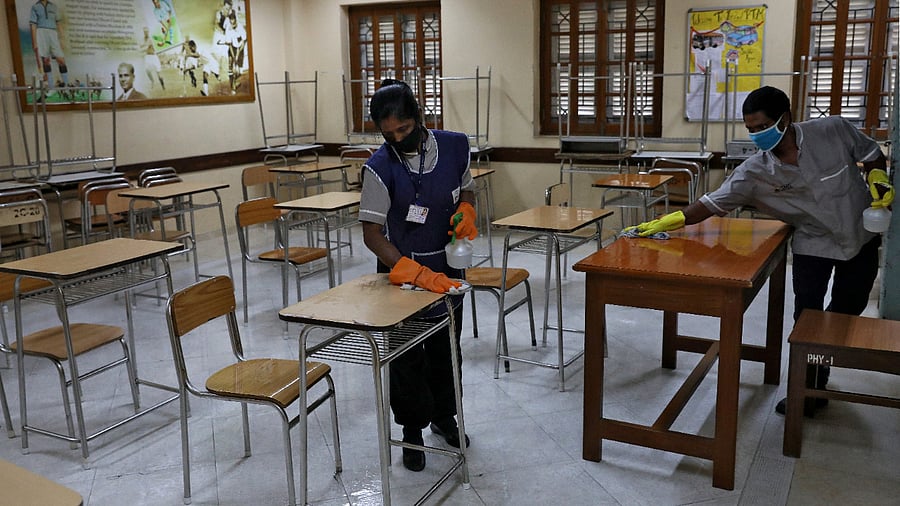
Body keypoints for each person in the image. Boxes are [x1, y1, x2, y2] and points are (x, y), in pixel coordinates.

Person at [627, 85, 893, 416]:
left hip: (861, 236)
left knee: (844, 313)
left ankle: (822, 363)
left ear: (786, 118)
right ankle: (808, 388)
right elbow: (711, 202)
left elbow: (870, 154)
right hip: (813, 243)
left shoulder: (832, 130)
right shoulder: (754, 172)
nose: (756, 136)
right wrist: (669, 220)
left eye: (762, 127)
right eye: (750, 130)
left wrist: (878, 175)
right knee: (807, 318)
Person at [358, 79, 478, 472]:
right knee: (407, 357)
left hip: (446, 267)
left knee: (446, 349)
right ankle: (410, 430)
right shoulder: (378, 167)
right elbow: (372, 233)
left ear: (419, 117)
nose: (397, 139)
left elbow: (466, 192)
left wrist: (467, 212)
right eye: (388, 134)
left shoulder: (456, 146)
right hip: (402, 273)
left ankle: (445, 418)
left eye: (404, 130)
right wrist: (407, 268)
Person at [29, 0, 69, 91]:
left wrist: (62, 38)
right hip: (41, 33)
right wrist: (34, 42)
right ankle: (51, 86)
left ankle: (66, 85)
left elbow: (59, 24)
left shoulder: (53, 7)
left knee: (61, 59)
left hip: (53, 32)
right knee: (46, 60)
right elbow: (33, 25)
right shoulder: (35, 7)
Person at [139, 27, 165, 91]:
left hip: (154, 57)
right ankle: (152, 81)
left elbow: (145, 47)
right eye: (145, 32)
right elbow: (141, 47)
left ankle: (163, 85)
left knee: (159, 74)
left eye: (147, 32)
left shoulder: (151, 39)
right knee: (147, 70)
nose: (146, 33)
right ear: (143, 32)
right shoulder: (142, 40)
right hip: (147, 57)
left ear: (148, 32)